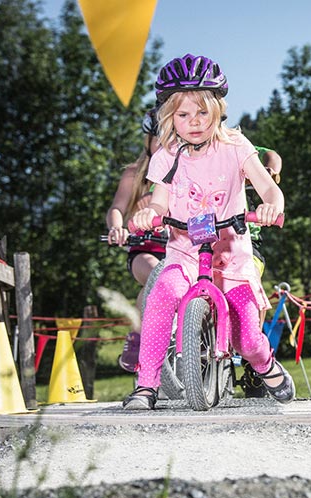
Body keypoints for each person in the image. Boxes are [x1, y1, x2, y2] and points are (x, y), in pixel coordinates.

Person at [124, 53, 294, 409]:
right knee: (162, 295)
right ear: (169, 117)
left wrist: (271, 205)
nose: (194, 122)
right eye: (183, 114)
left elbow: (269, 188)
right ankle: (147, 385)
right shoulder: (166, 157)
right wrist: (148, 215)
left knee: (247, 338)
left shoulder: (236, 148)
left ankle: (265, 363)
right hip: (185, 250)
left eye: (203, 112)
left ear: (218, 108)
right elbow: (159, 203)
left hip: (231, 254)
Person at [105, 109, 164, 372]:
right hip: (146, 248)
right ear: (148, 140)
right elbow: (117, 207)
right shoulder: (134, 173)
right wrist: (117, 227)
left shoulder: (189, 170)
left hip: (182, 248)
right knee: (155, 272)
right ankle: (138, 336)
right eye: (159, 137)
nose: (165, 144)